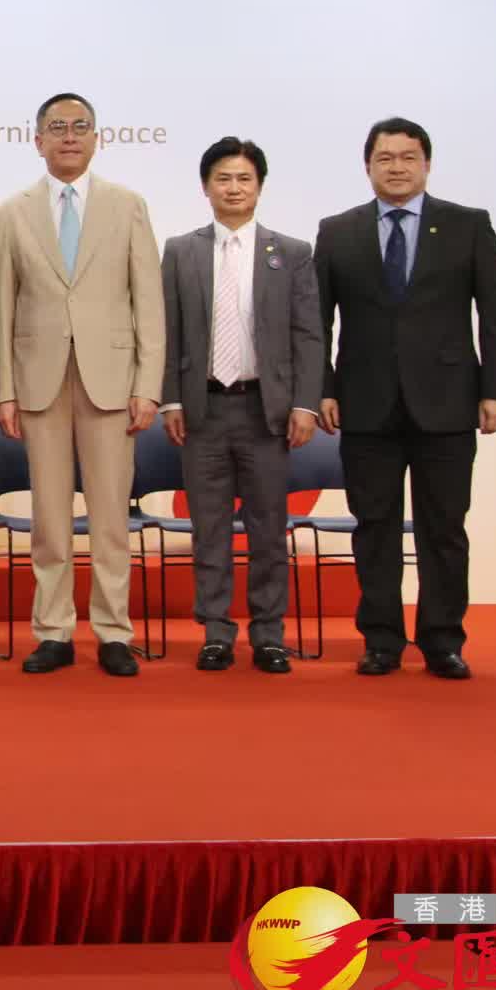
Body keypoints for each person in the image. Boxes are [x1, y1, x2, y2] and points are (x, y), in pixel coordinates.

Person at [315, 117, 496, 680]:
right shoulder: (338, 231)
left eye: (408, 158)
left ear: (426, 164)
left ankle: (443, 640)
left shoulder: (468, 225)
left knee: (444, 529)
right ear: (368, 167)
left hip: (448, 402)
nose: (397, 168)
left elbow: (494, 312)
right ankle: (381, 640)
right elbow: (317, 322)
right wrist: (322, 389)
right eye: (385, 158)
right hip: (364, 403)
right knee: (373, 527)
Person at [0, 93, 165, 678]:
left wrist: (148, 385)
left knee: (112, 515)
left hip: (112, 381)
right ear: (37, 140)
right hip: (39, 380)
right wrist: (6, 390)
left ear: (96, 138)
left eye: (80, 126)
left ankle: (114, 631)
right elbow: (2, 307)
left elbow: (148, 301)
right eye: (57, 127)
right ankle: (54, 630)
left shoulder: (127, 206)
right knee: (49, 517)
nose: (69, 136)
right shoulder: (12, 212)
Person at [160, 137, 322, 674]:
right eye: (223, 179)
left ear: (259, 187)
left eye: (244, 179)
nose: (234, 188)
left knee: (268, 529)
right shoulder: (181, 251)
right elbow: (169, 332)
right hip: (202, 409)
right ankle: (216, 633)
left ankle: (269, 635)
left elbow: (308, 334)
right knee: (209, 531)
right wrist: (170, 400)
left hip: (265, 411)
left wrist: (304, 404)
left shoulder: (291, 253)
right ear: (206, 187)